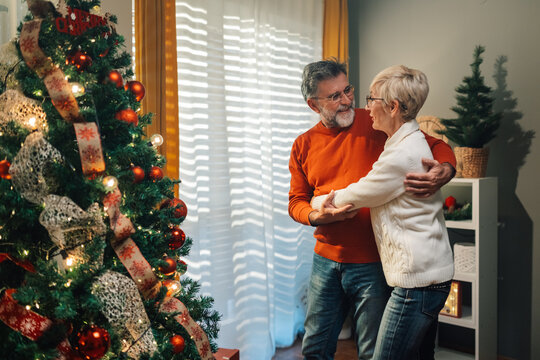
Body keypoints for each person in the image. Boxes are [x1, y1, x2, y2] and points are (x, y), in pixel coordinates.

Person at [288, 59, 456, 360]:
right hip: (325, 261)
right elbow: (295, 202)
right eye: (335, 96)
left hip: (373, 261)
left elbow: (431, 143)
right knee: (314, 348)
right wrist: (316, 215)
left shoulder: (378, 120)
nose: (347, 100)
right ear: (314, 105)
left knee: (373, 350)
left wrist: (446, 167)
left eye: (347, 90)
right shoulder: (303, 144)